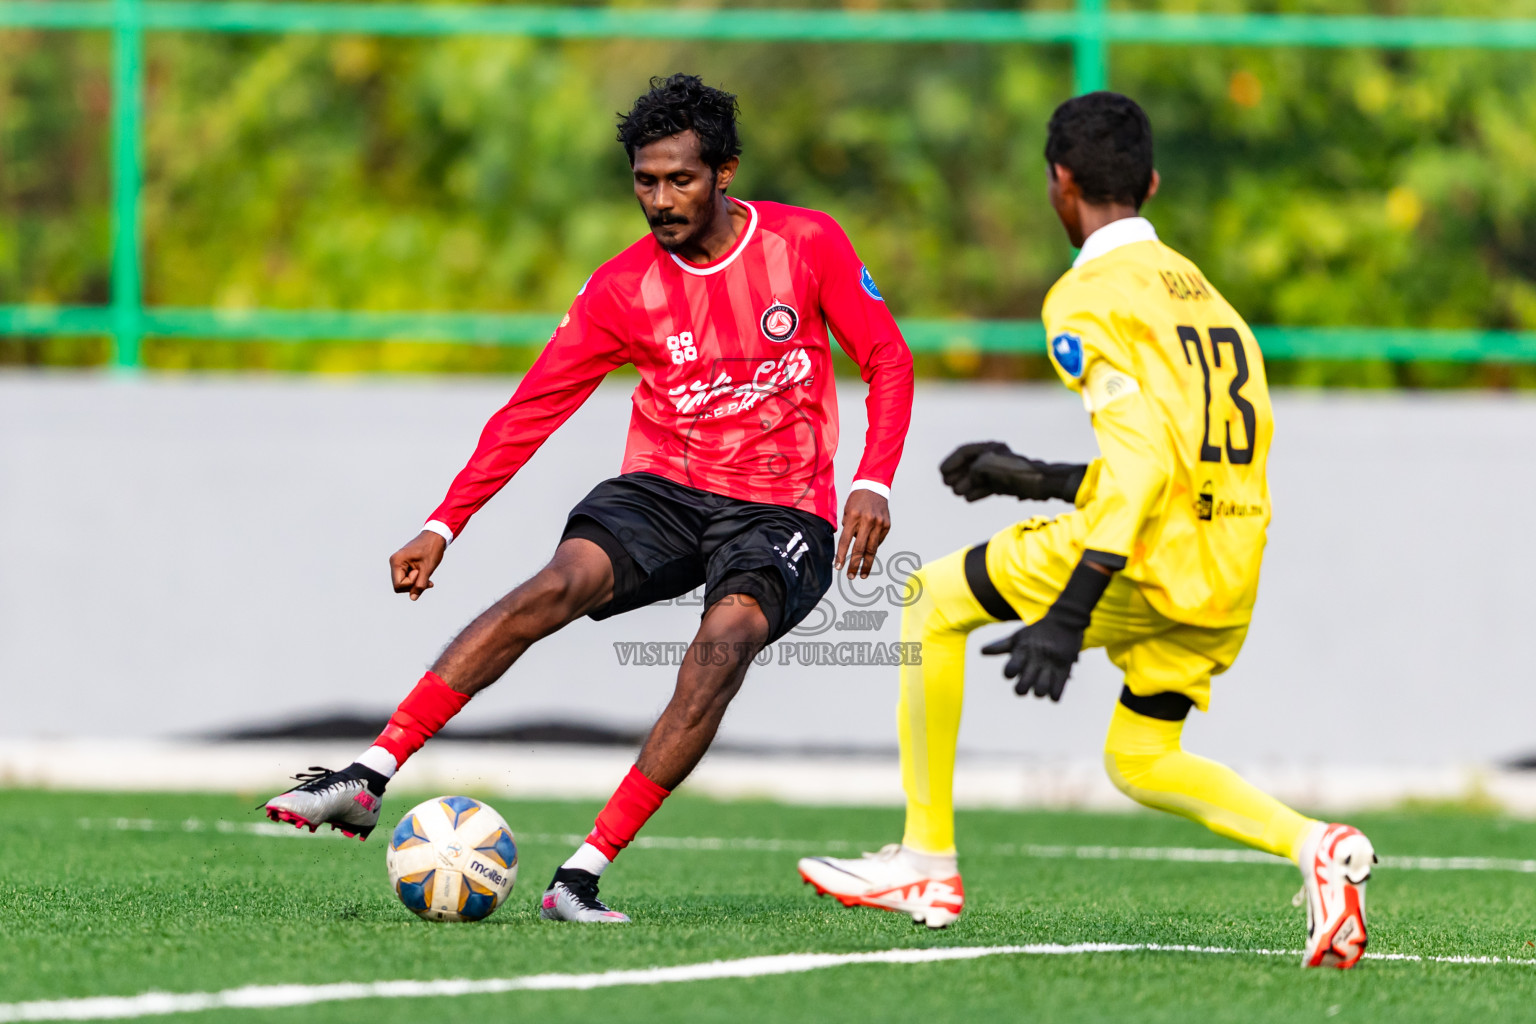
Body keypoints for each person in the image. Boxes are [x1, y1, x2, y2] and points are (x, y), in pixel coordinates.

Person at [264, 73, 914, 923]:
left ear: (726, 172)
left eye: (680, 179)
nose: (661, 199)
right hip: (664, 489)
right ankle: (369, 772)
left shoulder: (807, 243)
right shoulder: (622, 289)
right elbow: (531, 409)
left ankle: (582, 871)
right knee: (552, 586)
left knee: (723, 643)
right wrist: (443, 523)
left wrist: (872, 479)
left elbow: (888, 360)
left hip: (782, 510)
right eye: (645, 181)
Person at [797, 91, 1375, 969]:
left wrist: (1070, 614)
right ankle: (1318, 849)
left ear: (1059, 184)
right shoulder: (1208, 298)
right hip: (1228, 563)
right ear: (1149, 182)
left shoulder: (1085, 297)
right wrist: (1033, 479)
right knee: (1140, 756)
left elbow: (1142, 472)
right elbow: (1180, 456)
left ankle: (924, 860)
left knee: (931, 598)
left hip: (1143, 555)